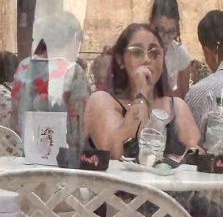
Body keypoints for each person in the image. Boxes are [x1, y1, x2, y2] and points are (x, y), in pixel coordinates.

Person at [83, 22, 200, 160]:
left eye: (154, 52)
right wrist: (141, 94)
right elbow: (119, 153)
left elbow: (195, 152)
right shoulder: (101, 101)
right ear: (121, 60)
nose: (147, 60)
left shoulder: (176, 107)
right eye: (137, 52)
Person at [12, 11, 90, 153]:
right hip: (58, 159)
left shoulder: (23, 66)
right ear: (74, 38)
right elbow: (78, 127)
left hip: (21, 154)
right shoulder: (73, 72)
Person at [150, 0, 191, 99]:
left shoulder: (180, 53)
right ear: (152, 24)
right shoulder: (141, 51)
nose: (166, 37)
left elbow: (184, 94)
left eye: (172, 31)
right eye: (161, 30)